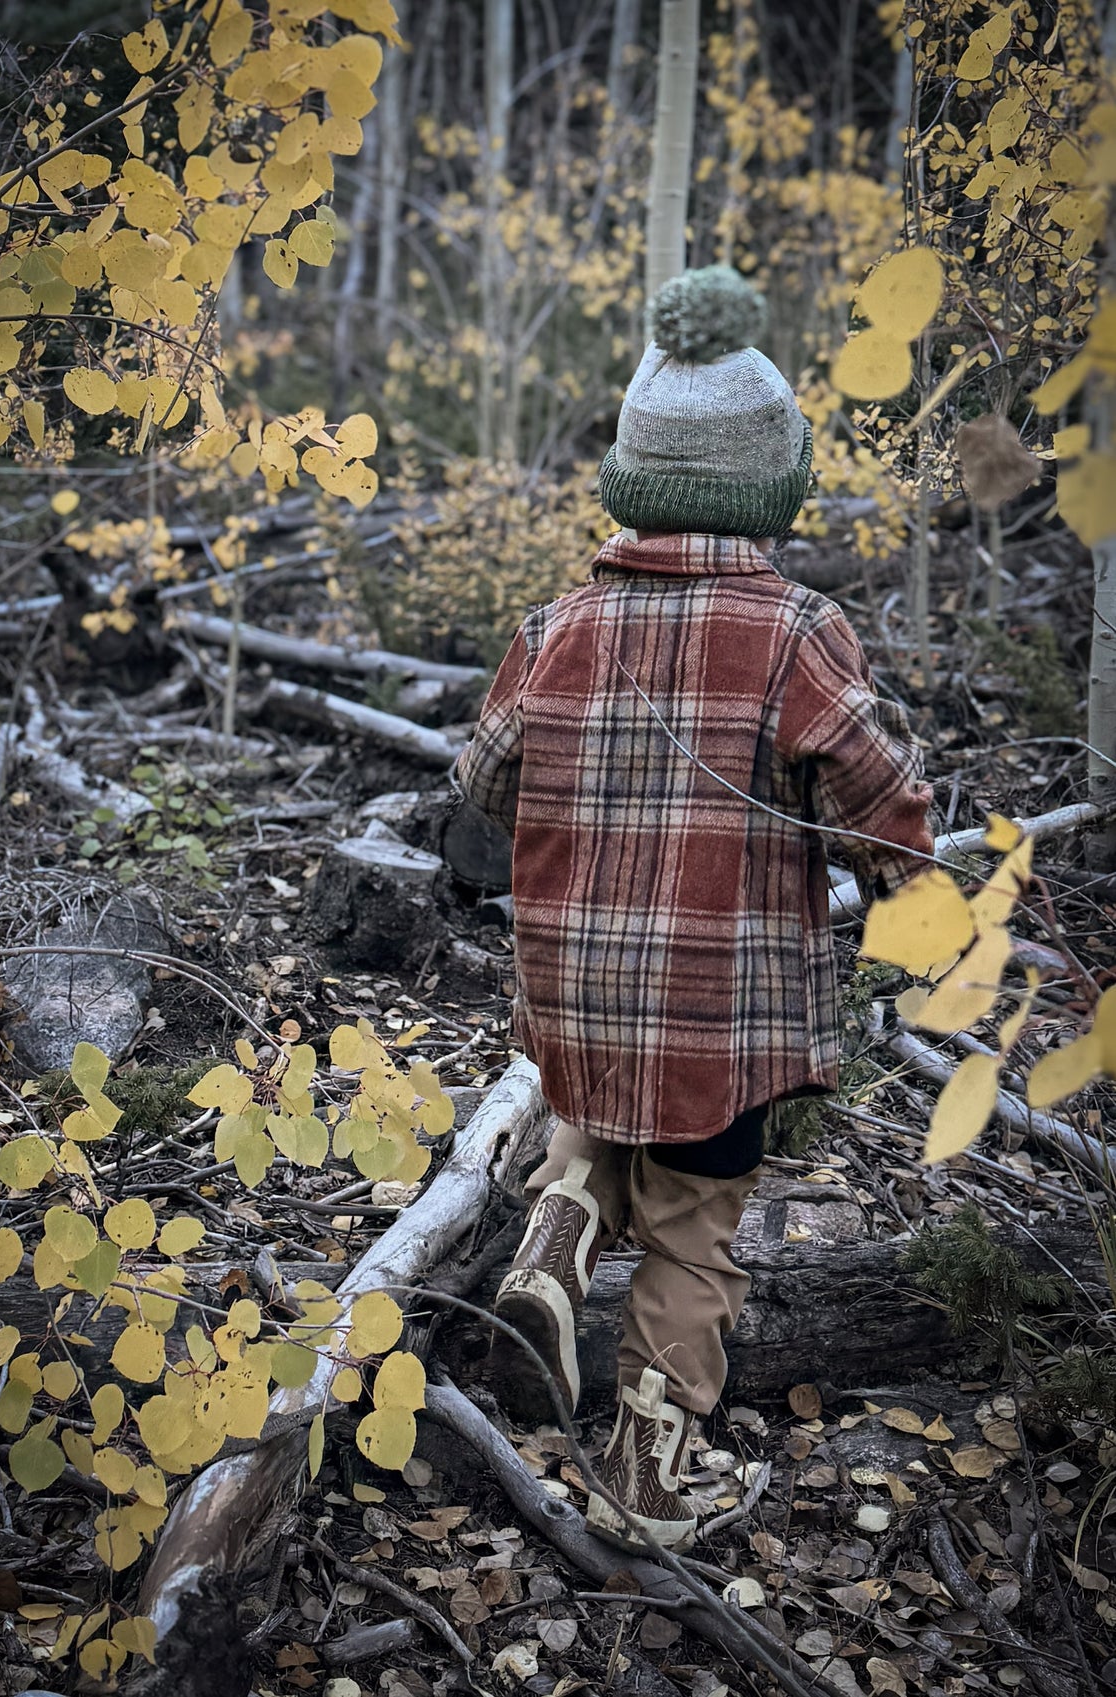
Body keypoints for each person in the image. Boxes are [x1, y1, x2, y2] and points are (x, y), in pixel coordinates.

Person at [454, 265, 934, 1555]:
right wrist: (913, 894)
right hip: (719, 1010)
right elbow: (881, 795)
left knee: (602, 1113)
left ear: (633, 477)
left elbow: (481, 778)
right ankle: (649, 1478)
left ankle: (556, 1234)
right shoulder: (794, 631)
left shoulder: (561, 623)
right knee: (697, 1227)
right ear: (771, 486)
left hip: (578, 988)